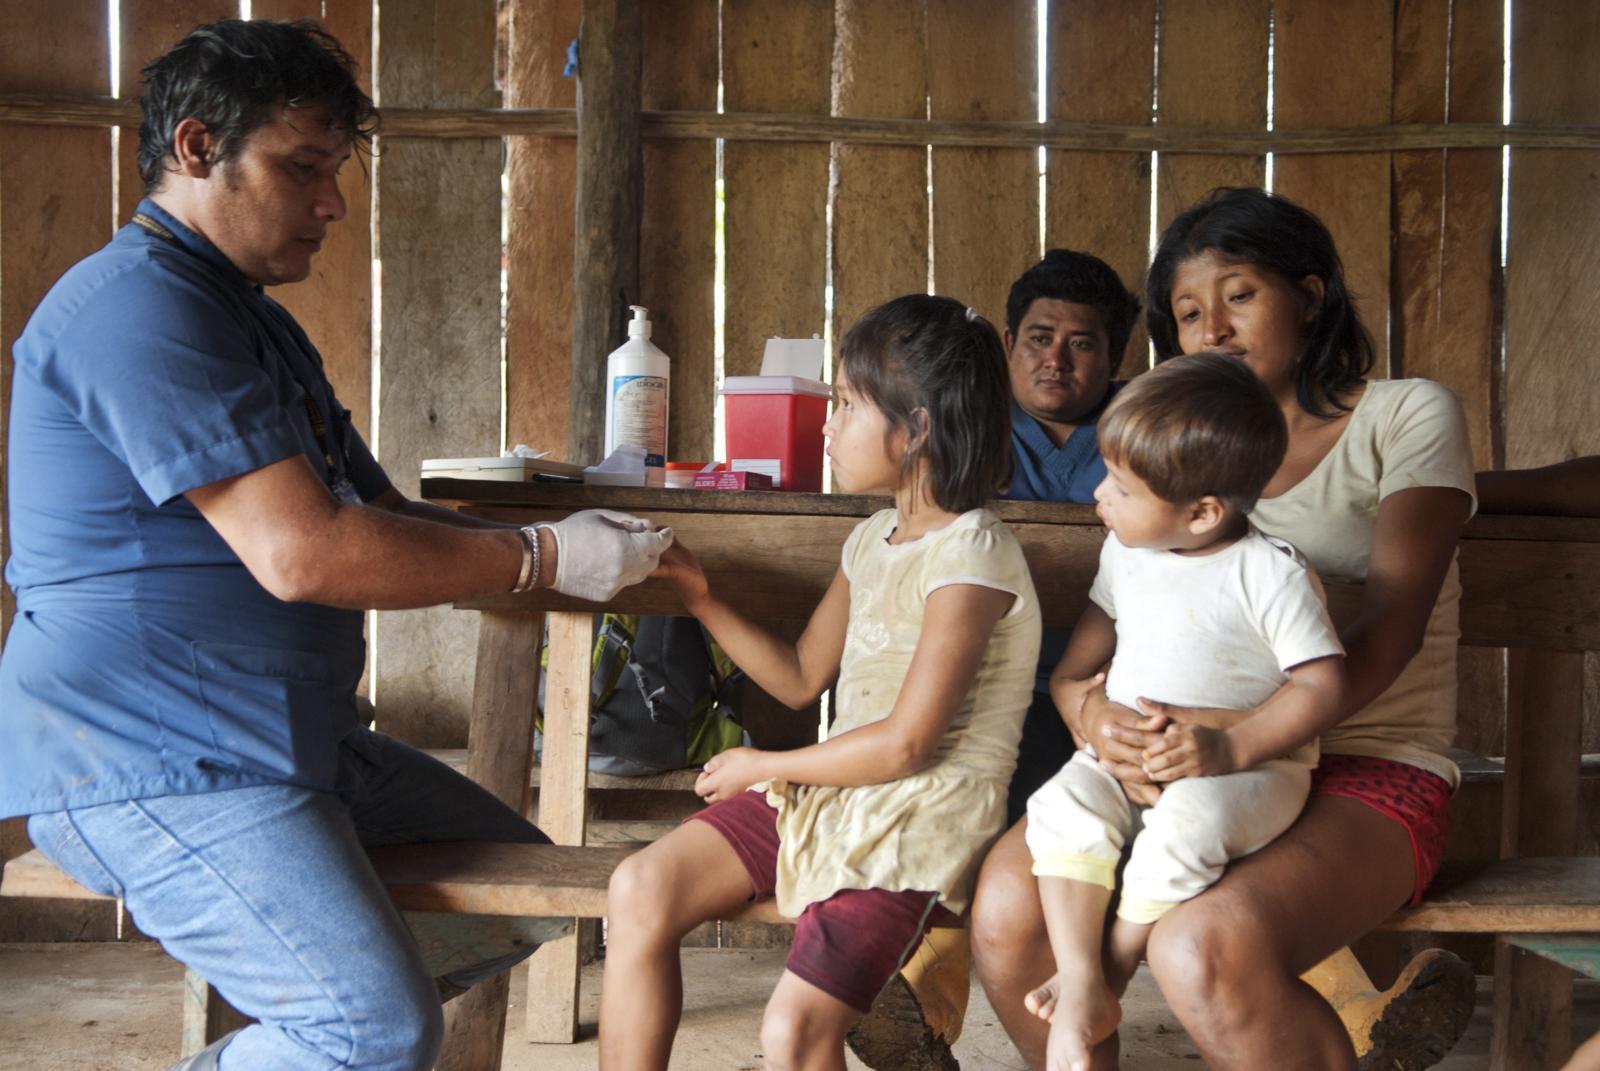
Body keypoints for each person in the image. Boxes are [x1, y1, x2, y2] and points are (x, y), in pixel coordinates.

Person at [0, 19, 670, 1071]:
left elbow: (384, 516)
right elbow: (305, 554)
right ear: (193, 149)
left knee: (519, 886)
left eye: (333, 169)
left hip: (282, 737)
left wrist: (564, 550)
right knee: (370, 1029)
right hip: (151, 756)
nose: (332, 202)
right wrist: (541, 558)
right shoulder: (137, 310)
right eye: (302, 167)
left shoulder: (248, 318)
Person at [971, 186, 1480, 1070]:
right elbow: (1103, 642)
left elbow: (1391, 629)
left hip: (1370, 758)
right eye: (1189, 311)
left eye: (1239, 295)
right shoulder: (1166, 447)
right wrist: (1103, 726)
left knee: (1199, 947)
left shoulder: (1405, 414)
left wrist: (1232, 742)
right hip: (1169, 756)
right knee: (1009, 911)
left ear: (1310, 296)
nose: (1214, 328)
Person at [598, 295, 1041, 1071]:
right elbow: (803, 677)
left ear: (918, 425)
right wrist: (702, 598)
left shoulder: (974, 554)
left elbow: (907, 744)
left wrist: (765, 766)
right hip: (834, 798)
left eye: (845, 403)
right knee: (640, 888)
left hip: (913, 826)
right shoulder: (873, 537)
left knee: (793, 1033)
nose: (826, 423)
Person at [1025, 353, 1347, 1071]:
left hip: (1247, 771)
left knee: (1185, 827)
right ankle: (1078, 973)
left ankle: (1109, 973)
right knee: (1058, 804)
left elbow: (1324, 688)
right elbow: (1079, 670)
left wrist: (1229, 751)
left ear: (1202, 511)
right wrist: (1100, 719)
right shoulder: (1127, 552)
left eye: (1122, 487)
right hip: (1128, 762)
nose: (1100, 496)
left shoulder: (1269, 572)